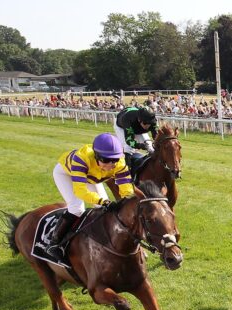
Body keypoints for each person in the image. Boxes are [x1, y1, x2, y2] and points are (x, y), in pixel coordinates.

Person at [47, 133, 134, 262]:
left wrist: (127, 201)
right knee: (77, 208)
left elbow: (126, 188)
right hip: (66, 174)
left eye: (114, 160)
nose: (111, 165)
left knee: (104, 209)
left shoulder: (120, 163)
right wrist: (102, 200)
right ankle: (55, 243)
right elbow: (80, 191)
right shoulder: (81, 158)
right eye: (106, 160)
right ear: (97, 156)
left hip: (91, 178)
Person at [114, 106, 157, 170]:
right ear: (139, 120)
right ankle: (127, 170)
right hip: (121, 126)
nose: (147, 126)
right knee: (128, 148)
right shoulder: (128, 120)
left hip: (136, 126)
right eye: (145, 123)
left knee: (149, 145)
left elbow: (156, 136)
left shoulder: (153, 121)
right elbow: (129, 140)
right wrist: (140, 145)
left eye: (149, 123)